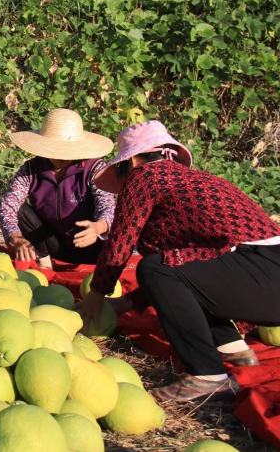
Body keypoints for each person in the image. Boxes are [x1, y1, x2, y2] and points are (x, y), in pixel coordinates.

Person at [80, 120, 280, 402]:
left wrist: (96, 295)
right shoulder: (185, 181)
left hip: (261, 272)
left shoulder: (145, 175)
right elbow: (189, 273)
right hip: (265, 275)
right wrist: (126, 304)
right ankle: (232, 347)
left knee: (154, 266)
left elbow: (120, 242)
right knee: (174, 268)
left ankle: (208, 374)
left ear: (133, 160)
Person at [0, 108, 116, 269]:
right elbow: (8, 204)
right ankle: (45, 261)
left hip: (90, 245)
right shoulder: (31, 169)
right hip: (52, 244)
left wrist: (97, 228)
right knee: (21, 210)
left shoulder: (94, 169)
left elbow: (108, 207)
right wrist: (16, 238)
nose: (60, 156)